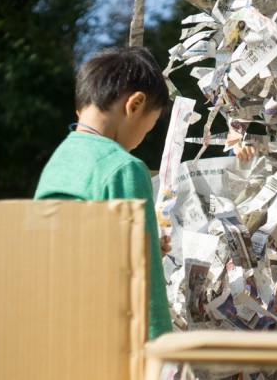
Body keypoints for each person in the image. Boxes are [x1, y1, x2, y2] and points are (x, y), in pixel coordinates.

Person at [34, 46, 173, 339]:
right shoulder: (123, 167)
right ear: (135, 105)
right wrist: (163, 355)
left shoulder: (58, 163)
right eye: (146, 130)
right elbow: (143, 282)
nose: (138, 142)